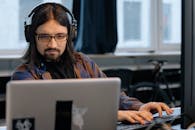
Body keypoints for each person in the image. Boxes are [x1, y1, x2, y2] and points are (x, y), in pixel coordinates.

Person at [11, 2, 173, 125]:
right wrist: (111, 115)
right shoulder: (23, 75)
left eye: (60, 36)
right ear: (32, 37)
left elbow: (113, 97)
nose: (52, 44)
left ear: (70, 36)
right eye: (45, 37)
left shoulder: (83, 62)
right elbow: (46, 116)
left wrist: (140, 107)